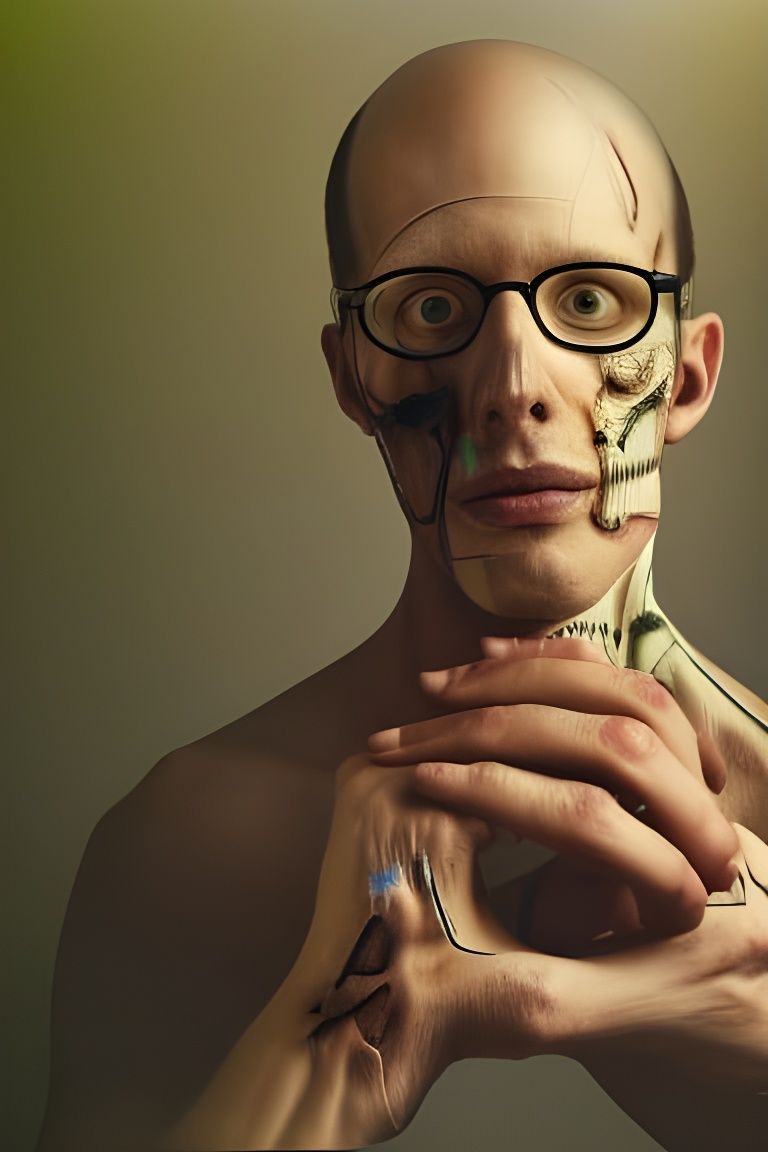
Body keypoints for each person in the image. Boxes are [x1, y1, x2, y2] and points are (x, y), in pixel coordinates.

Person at [37, 40, 768, 1152]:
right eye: (431, 310)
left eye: (590, 299)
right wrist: (333, 1058)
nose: (514, 386)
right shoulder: (191, 849)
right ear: (353, 378)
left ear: (689, 374)